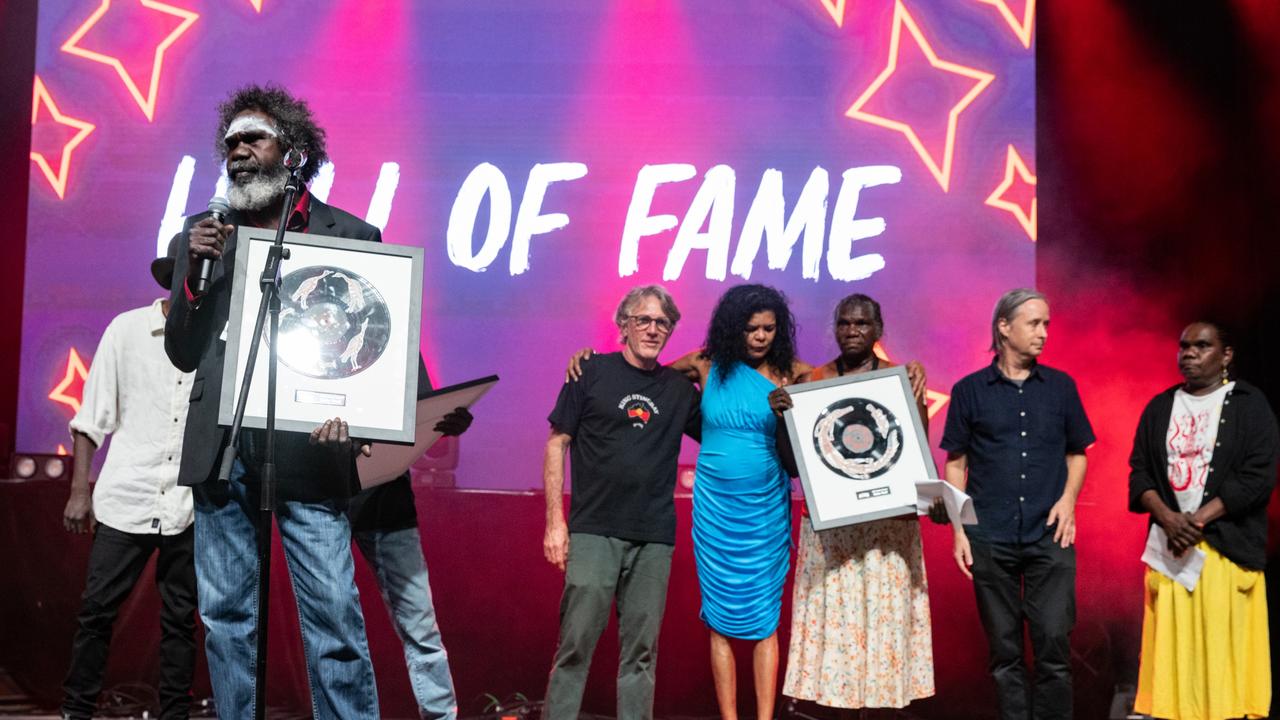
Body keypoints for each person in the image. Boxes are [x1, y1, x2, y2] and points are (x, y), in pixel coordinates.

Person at [165, 84, 383, 718]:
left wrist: (363, 414)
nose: (236, 151)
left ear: (292, 153)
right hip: (224, 449)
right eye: (229, 142)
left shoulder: (351, 233)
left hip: (311, 452)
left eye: (252, 138)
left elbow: (376, 342)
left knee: (334, 615)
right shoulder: (203, 235)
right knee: (226, 616)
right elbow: (182, 350)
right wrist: (198, 281)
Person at [768, 293, 935, 713]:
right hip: (834, 527)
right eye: (844, 323)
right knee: (837, 625)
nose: (852, 331)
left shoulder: (902, 380)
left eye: (861, 324)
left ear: (878, 330)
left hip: (887, 527)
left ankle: (880, 705)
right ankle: (834, 705)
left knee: (884, 623)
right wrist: (783, 419)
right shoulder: (812, 382)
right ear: (835, 328)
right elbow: (793, 465)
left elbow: (918, 451)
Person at [542, 285, 701, 720]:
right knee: (574, 647)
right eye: (643, 320)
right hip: (594, 530)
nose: (652, 329)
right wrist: (555, 523)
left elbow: (724, 431)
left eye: (662, 322)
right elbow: (557, 444)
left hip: (653, 536)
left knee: (642, 655)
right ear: (623, 326)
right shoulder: (590, 372)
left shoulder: (679, 391)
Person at [940, 288, 1094, 720]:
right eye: (1034, 323)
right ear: (1004, 327)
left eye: (1046, 323)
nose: (1044, 333)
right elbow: (955, 466)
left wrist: (1069, 499)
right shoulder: (969, 390)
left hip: (1050, 535)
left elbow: (1078, 451)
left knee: (1053, 645)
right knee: (1004, 652)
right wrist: (959, 531)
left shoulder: (1061, 387)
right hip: (990, 535)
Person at [60, 253, 197, 720]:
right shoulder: (127, 330)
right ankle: (76, 711)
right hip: (128, 497)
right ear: (176, 279)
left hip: (190, 505)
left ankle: (174, 714)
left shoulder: (218, 338)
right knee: (96, 612)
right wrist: (80, 493)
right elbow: (90, 417)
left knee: (181, 621)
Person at [1129, 321, 1278, 720]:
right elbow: (1140, 473)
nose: (1189, 353)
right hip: (1172, 551)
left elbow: (1258, 475)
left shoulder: (1248, 403)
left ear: (1226, 355)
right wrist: (1168, 518)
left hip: (1224, 550)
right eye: (1184, 346)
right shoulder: (1160, 406)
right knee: (1175, 672)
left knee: (1220, 663)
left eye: (1202, 346)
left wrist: (1196, 521)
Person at [348, 398, 472, 720]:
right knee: (338, 629)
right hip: (324, 498)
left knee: (422, 628)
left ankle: (441, 716)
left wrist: (449, 424)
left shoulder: (407, 350)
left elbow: (428, 413)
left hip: (388, 502)